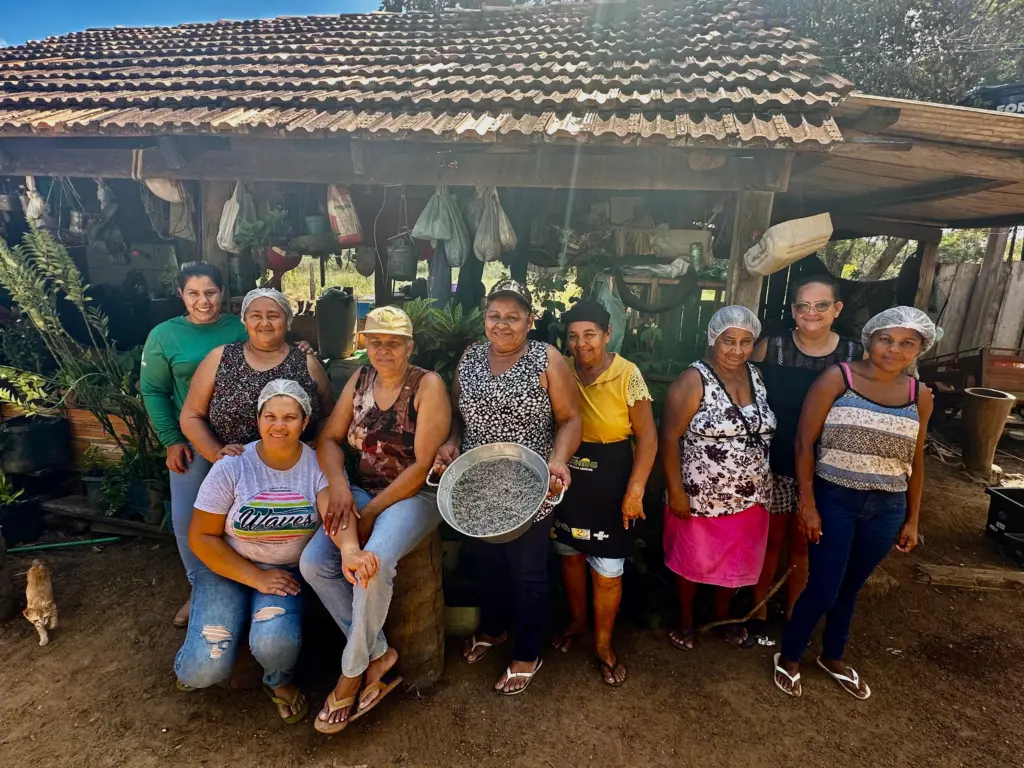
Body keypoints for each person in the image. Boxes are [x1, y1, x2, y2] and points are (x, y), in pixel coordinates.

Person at [174, 380, 380, 724]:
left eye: (289, 417)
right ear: (258, 420)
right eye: (270, 416)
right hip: (227, 566)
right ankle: (203, 640)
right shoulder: (233, 466)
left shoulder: (317, 464)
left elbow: (335, 515)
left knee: (274, 643)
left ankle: (277, 681)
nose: (279, 425)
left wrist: (348, 549)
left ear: (304, 421)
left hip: (286, 571)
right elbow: (201, 537)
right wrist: (255, 577)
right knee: (199, 672)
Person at [300, 307, 451, 734]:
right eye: (375, 341)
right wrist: (340, 484)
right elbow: (329, 438)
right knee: (315, 563)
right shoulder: (361, 378)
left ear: (410, 346)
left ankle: (350, 674)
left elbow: (421, 466)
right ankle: (379, 652)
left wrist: (368, 511)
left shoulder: (427, 385)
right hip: (363, 488)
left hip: (415, 495)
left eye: (393, 342)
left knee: (376, 562)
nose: (383, 350)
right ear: (365, 343)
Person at [773, 307, 935, 700]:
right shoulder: (838, 378)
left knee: (852, 586)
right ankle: (790, 655)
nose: (894, 350)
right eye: (886, 339)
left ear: (919, 350)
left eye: (906, 343)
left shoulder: (920, 395)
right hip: (835, 499)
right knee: (825, 584)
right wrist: (807, 504)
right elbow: (803, 443)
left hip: (887, 505)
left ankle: (833, 656)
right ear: (870, 339)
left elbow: (915, 460)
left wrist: (912, 519)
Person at [434, 279, 582, 695]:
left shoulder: (546, 359)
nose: (502, 324)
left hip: (530, 481)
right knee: (487, 563)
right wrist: (451, 442)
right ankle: (495, 629)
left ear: (529, 321)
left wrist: (557, 460)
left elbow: (571, 419)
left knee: (527, 569)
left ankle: (527, 651)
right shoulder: (469, 358)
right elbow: (459, 415)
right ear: (484, 319)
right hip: (477, 483)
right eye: (495, 316)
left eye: (512, 317)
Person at [747, 274, 864, 644]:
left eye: (821, 305)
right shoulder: (771, 348)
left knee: (804, 544)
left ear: (836, 309)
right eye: (803, 305)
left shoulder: (853, 355)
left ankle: (795, 612)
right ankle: (758, 611)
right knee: (769, 541)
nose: (811, 313)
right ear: (793, 310)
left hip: (825, 469)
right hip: (775, 463)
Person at [550, 300, 657, 686]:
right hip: (569, 470)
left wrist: (636, 488)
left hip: (613, 475)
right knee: (570, 555)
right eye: (574, 336)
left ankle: (604, 643)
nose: (582, 344)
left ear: (608, 334)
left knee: (609, 568)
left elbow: (647, 437)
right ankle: (578, 621)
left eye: (590, 334)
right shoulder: (560, 371)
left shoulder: (628, 374)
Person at [660, 305, 776, 650]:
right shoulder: (693, 379)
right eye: (729, 341)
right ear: (714, 339)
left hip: (752, 494)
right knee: (692, 559)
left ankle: (721, 617)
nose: (737, 350)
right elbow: (668, 438)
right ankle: (686, 620)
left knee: (734, 560)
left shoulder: (756, 375)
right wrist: (676, 491)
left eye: (745, 342)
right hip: (700, 494)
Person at [141, 263, 248, 628]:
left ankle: (242, 583)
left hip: (243, 441)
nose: (203, 301)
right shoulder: (164, 336)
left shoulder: (241, 327)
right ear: (181, 295)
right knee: (188, 520)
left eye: (211, 292)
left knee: (241, 516)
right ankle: (200, 589)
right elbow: (154, 391)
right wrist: (171, 440)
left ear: (223, 292)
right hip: (192, 441)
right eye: (194, 293)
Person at [180, 288, 334, 466]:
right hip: (234, 467)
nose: (265, 322)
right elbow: (191, 416)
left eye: (273, 315)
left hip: (296, 466)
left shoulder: (307, 362)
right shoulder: (219, 358)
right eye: (255, 315)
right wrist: (216, 454)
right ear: (244, 321)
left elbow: (330, 415)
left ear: (288, 321)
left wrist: (320, 442)